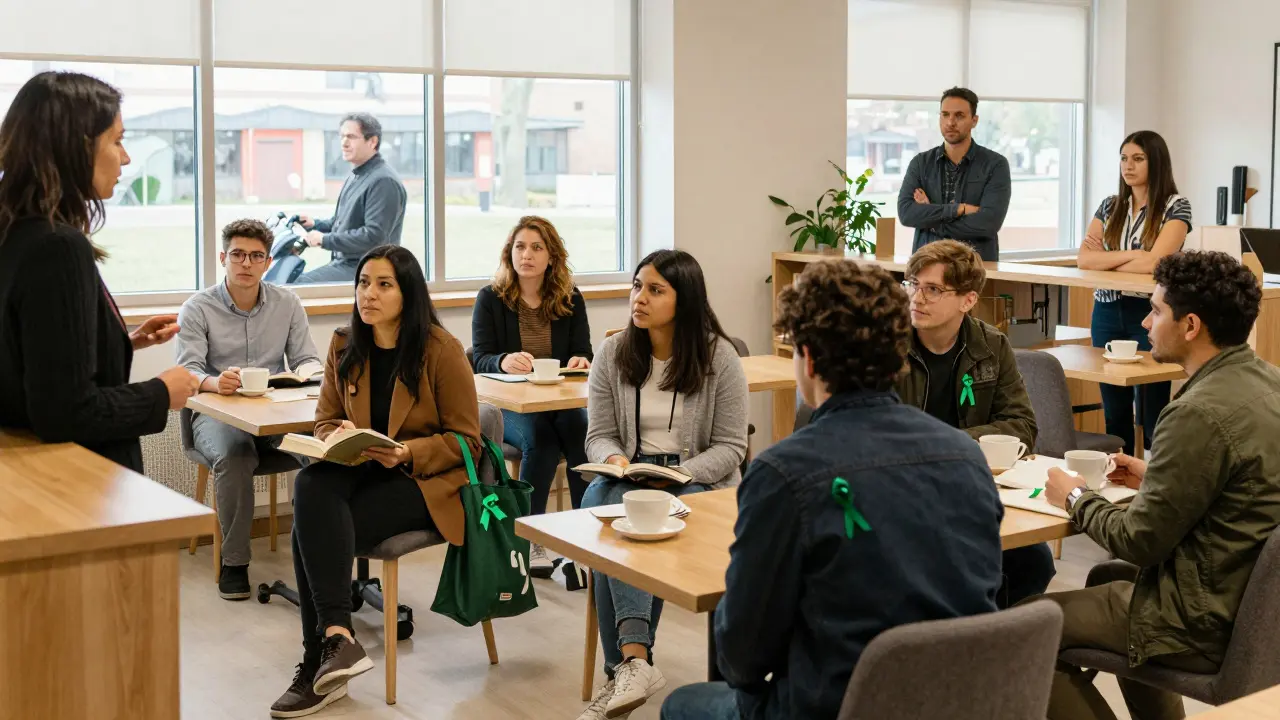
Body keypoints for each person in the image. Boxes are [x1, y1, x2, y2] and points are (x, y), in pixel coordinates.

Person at [661, 259, 1004, 720]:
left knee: (683, 704)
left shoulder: (784, 472)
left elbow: (742, 659)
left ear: (810, 358)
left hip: (840, 706)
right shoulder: (966, 455)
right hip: (963, 700)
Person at [1041, 251, 1280, 720]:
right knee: (1106, 576)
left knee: (1027, 627)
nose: (1146, 323)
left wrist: (1074, 495)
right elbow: (1247, 487)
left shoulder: (1195, 413)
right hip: (1251, 604)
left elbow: (1139, 542)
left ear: (1190, 325)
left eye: (1155, 311)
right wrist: (1157, 475)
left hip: (1202, 618)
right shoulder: (1267, 383)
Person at [270, 245, 482, 718]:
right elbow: (324, 421)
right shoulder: (345, 345)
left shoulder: (440, 350)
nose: (369, 293)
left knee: (312, 528)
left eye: (384, 284)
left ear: (408, 294)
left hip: (424, 482)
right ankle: (338, 641)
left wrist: (408, 451)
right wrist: (337, 435)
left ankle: (316, 665)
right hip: (360, 470)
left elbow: (470, 442)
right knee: (310, 489)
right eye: (364, 282)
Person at [576, 250, 749, 720]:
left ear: (684, 298)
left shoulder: (720, 358)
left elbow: (732, 448)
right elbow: (599, 434)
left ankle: (625, 671)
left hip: (697, 480)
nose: (640, 298)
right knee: (598, 505)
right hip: (630, 473)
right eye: (637, 286)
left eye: (655, 290)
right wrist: (613, 460)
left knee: (642, 523)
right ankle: (633, 664)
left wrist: (681, 474)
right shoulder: (613, 353)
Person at [0, 71, 198, 473]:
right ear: (77, 146)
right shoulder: (57, 247)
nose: (126, 157)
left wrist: (123, 342)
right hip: (76, 480)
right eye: (117, 140)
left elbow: (25, 356)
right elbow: (66, 412)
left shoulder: (13, 232)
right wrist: (162, 393)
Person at [893, 240, 1052, 608]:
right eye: (912, 284)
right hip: (903, 488)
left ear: (967, 300)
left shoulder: (991, 345)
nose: (917, 297)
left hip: (967, 486)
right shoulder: (887, 345)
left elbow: (1021, 425)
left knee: (1033, 561)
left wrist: (948, 445)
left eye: (932, 289)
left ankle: (989, 645)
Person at [176, 218, 323, 600]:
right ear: (223, 257)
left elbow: (306, 358)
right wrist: (214, 381)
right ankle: (235, 562)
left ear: (267, 262)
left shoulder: (287, 302)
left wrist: (310, 375)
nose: (246, 263)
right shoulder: (198, 307)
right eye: (238, 254)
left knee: (322, 448)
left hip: (272, 413)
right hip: (216, 412)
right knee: (235, 454)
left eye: (255, 256)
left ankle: (322, 549)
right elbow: (188, 370)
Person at [471, 216, 592, 577]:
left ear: (551, 256)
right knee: (540, 438)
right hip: (508, 406)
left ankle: (582, 539)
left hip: (557, 400)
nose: (527, 255)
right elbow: (478, 359)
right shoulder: (491, 298)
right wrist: (504, 360)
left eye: (537, 247)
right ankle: (529, 538)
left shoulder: (570, 298)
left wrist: (580, 360)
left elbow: (584, 351)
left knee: (579, 435)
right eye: (520, 247)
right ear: (510, 253)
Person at [1076, 130, 1191, 455]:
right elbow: (1085, 259)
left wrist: (1109, 261)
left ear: (1156, 162)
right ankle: (1118, 477)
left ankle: (1155, 481)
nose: (1128, 166)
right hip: (1107, 311)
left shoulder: (1175, 206)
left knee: (1153, 407)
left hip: (1151, 314)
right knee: (1114, 408)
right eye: (1124, 158)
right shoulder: (1110, 205)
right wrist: (1134, 256)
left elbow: (1158, 264)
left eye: (1138, 158)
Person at [897, 87, 1011, 262]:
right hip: (926, 266)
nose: (950, 122)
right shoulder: (920, 163)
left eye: (959, 115)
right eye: (945, 114)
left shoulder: (995, 165)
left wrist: (931, 221)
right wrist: (959, 209)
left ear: (974, 120)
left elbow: (988, 224)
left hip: (973, 270)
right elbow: (906, 214)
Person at [294, 113, 407, 284]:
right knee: (291, 280)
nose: (344, 143)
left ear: (372, 141)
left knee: (299, 286)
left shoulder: (384, 182)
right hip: (346, 263)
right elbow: (343, 223)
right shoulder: (357, 175)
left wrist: (325, 240)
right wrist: (314, 224)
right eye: (342, 137)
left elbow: (373, 236)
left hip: (368, 268)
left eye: (351, 137)